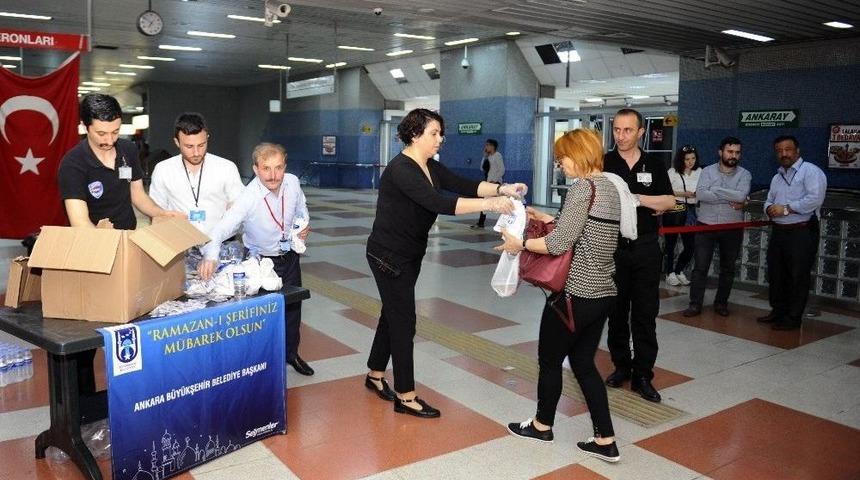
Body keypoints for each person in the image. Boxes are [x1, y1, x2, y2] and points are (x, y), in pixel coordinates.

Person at [364, 108, 524, 418]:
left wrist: (502, 188)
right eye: (434, 133)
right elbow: (439, 202)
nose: (441, 139)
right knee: (404, 321)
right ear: (415, 135)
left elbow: (464, 184)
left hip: (409, 254)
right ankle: (406, 395)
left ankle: (374, 374)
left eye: (441, 133)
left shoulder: (430, 167)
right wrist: (491, 204)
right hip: (388, 256)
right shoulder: (402, 169)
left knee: (392, 314)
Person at [498, 129, 621, 463]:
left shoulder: (582, 187)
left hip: (572, 295)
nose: (560, 164)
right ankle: (605, 439)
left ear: (579, 153)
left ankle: (541, 426)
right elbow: (588, 229)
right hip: (602, 292)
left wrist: (518, 244)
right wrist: (551, 217)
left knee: (550, 360)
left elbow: (558, 244)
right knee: (583, 363)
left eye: (562, 157)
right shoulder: (609, 185)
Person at [198, 143, 314, 376]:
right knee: (264, 314)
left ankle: (292, 353)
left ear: (285, 166)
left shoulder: (291, 182)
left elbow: (301, 208)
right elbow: (220, 230)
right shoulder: (247, 197)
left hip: (289, 256)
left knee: (293, 308)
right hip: (261, 263)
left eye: (278, 168)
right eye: (266, 168)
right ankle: (264, 363)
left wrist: (303, 225)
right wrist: (210, 257)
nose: (273, 175)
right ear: (256, 169)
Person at [602, 109, 675, 403]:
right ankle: (622, 366)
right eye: (617, 130)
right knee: (616, 311)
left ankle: (643, 374)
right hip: (613, 247)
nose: (621, 136)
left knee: (645, 313)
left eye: (628, 130)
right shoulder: (605, 162)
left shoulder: (654, 164)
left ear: (641, 132)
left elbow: (669, 201)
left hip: (645, 247)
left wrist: (637, 199)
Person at [58, 94, 182, 229]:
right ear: (84, 126)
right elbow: (80, 221)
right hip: (94, 239)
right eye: (101, 134)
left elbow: (138, 194)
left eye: (115, 132)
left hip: (127, 233)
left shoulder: (128, 150)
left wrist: (162, 214)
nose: (110, 140)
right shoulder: (73, 164)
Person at [758, 135, 826, 330]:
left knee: (798, 275)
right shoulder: (777, 176)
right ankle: (778, 311)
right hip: (779, 231)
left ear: (797, 151)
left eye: (788, 150)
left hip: (802, 232)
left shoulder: (811, 172)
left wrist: (786, 209)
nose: (783, 154)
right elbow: (769, 200)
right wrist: (769, 209)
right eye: (779, 150)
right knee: (776, 273)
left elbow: (814, 199)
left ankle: (793, 317)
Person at [683, 137, 751, 317]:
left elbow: (741, 196)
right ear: (720, 152)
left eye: (737, 152)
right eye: (730, 151)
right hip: (706, 225)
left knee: (728, 268)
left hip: (732, 227)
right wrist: (731, 195)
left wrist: (717, 190)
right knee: (700, 267)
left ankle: (721, 303)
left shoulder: (745, 174)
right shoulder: (707, 171)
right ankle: (695, 304)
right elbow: (702, 195)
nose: (733, 155)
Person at [149, 113, 245, 235]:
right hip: (179, 243)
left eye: (201, 145)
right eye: (189, 146)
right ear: (177, 142)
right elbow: (157, 212)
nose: (196, 152)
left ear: (207, 138)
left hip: (222, 244)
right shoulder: (163, 170)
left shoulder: (226, 168)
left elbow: (240, 207)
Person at [664, 145, 701, 286]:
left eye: (693, 158)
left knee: (690, 245)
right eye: (687, 159)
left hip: (691, 209)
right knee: (670, 243)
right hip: (675, 207)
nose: (690, 162)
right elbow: (665, 189)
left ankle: (679, 270)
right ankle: (669, 272)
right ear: (681, 159)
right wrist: (683, 194)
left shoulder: (700, 172)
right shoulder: (672, 172)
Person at [472, 138, 505, 229]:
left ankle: (505, 223)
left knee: (500, 203)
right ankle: (480, 223)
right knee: (485, 202)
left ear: (492, 146)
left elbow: (502, 170)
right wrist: (484, 157)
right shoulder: (488, 157)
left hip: (495, 183)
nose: (486, 147)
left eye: (487, 145)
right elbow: (482, 168)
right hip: (488, 182)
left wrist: (494, 181)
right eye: (486, 145)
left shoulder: (498, 155)